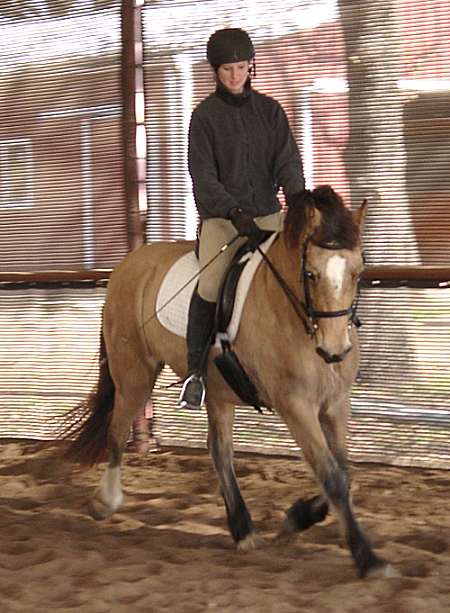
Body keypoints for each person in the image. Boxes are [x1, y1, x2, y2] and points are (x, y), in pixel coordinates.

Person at [179, 27, 305, 410]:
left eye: (241, 67)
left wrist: (296, 198)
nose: (235, 76)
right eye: (227, 69)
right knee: (210, 283)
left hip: (268, 216)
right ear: (215, 71)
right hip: (223, 221)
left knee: (305, 271)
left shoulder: (271, 111)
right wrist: (233, 211)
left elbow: (287, 161)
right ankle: (196, 373)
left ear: (252, 66)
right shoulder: (204, 117)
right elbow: (203, 177)